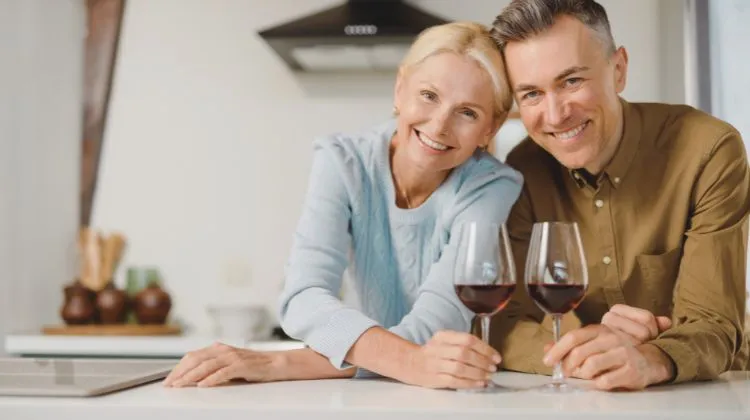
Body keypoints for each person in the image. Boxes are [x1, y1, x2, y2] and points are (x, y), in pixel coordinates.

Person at [163, 21, 523, 390]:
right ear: (400, 89)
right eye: (429, 95)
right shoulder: (343, 160)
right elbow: (303, 295)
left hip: (453, 393)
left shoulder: (492, 186)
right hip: (367, 390)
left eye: (468, 113)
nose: (440, 124)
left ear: (490, 129)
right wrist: (411, 362)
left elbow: (434, 332)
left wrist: (280, 361)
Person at [488, 0, 750, 391]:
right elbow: (506, 325)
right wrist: (596, 351)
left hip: (710, 392)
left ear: (619, 69)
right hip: (589, 396)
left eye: (571, 81)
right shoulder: (523, 170)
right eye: (531, 94)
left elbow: (713, 324)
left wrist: (649, 357)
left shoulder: (707, 150)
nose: (556, 114)